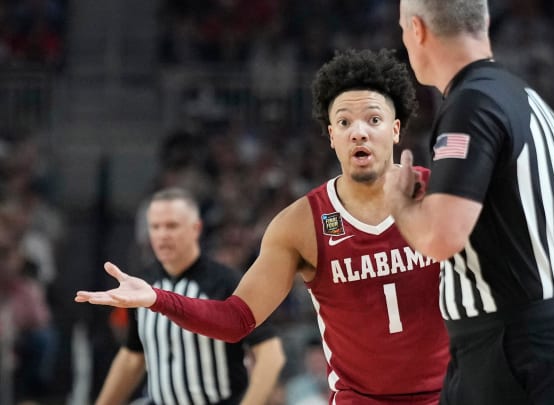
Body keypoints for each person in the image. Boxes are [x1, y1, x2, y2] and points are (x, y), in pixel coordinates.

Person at [76, 49, 450, 404]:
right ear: (332, 136)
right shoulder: (300, 224)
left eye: (373, 119)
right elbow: (237, 318)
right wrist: (158, 298)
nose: (359, 132)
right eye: (344, 122)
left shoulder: (442, 195)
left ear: (397, 129)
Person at [384, 0, 554, 403]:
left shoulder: (469, 104)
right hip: (545, 345)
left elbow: (442, 236)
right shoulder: (534, 103)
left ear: (418, 30)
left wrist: (400, 203)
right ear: (485, 22)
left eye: (403, 31)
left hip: (501, 355)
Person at [93, 188, 285, 405]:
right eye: (155, 227)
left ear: (196, 229)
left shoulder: (226, 281)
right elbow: (132, 357)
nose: (162, 234)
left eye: (172, 226)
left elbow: (270, 354)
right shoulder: (142, 284)